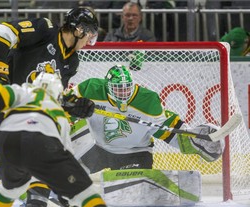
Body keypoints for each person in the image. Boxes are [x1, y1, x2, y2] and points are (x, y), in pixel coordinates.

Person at [0, 7, 98, 207]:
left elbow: (50, 95)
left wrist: (71, 104)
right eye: (90, 35)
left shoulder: (71, 61)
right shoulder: (45, 30)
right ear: (79, 30)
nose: (89, 42)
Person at [0, 68, 114, 207]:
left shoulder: (19, 91)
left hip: (7, 141)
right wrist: (67, 198)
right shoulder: (59, 114)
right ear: (58, 94)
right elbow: (65, 155)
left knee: (9, 189)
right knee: (85, 192)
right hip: (43, 142)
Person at [67, 65, 224, 173]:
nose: (123, 93)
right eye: (118, 89)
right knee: (66, 178)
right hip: (99, 150)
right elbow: (62, 104)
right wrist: (71, 107)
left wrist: (193, 141)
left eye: (126, 88)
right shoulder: (90, 88)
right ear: (107, 86)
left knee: (129, 195)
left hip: (135, 153)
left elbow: (168, 132)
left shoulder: (148, 101)